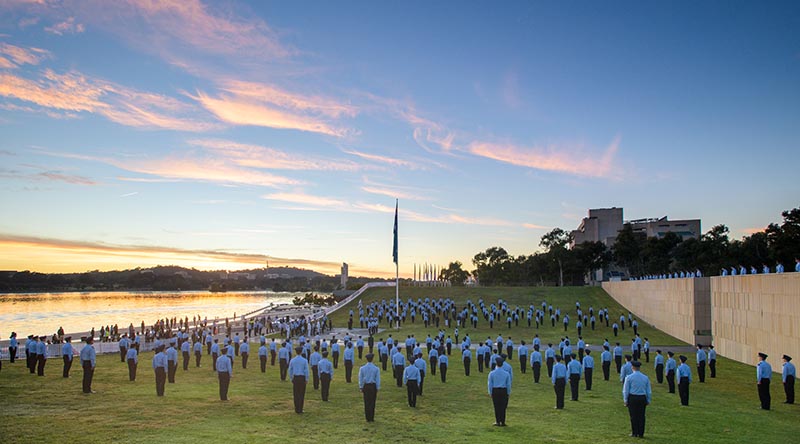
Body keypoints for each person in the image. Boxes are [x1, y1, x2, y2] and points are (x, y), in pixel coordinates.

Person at [623, 361, 652, 438]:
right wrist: (648, 399)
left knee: (633, 416)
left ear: (632, 367)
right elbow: (648, 390)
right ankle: (641, 433)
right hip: (642, 397)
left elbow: (626, 390)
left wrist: (625, 400)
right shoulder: (645, 377)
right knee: (641, 416)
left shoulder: (629, 377)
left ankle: (635, 432)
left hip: (633, 397)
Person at [488, 357, 512, 426]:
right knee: (503, 406)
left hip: (495, 390)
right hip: (503, 390)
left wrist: (490, 392)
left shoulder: (492, 373)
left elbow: (490, 384)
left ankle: (497, 421)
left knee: (496, 406)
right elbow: (508, 384)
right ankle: (503, 421)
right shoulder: (506, 373)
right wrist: (508, 392)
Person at [358, 353, 380, 422]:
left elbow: (360, 378)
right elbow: (377, 379)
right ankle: (371, 417)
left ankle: (367, 417)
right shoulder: (376, 368)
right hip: (373, 385)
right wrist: (377, 387)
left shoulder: (362, 368)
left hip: (366, 386)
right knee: (372, 402)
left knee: (366, 402)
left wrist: (361, 386)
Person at [288, 346, 309, 413]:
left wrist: (291, 378)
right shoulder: (304, 360)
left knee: (296, 393)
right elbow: (306, 371)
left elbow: (290, 370)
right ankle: (300, 408)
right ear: (301, 352)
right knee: (301, 393)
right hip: (302, 378)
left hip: (296, 377)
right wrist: (306, 378)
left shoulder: (292, 360)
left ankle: (296, 408)